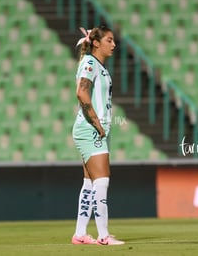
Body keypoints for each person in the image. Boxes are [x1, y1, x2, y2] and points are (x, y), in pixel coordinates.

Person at [71, 25, 124, 245]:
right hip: (91, 128)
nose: (114, 44)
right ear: (96, 43)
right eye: (109, 40)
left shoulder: (98, 66)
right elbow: (81, 93)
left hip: (96, 128)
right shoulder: (90, 63)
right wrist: (96, 123)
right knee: (102, 180)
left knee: (89, 182)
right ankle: (103, 235)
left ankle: (81, 233)